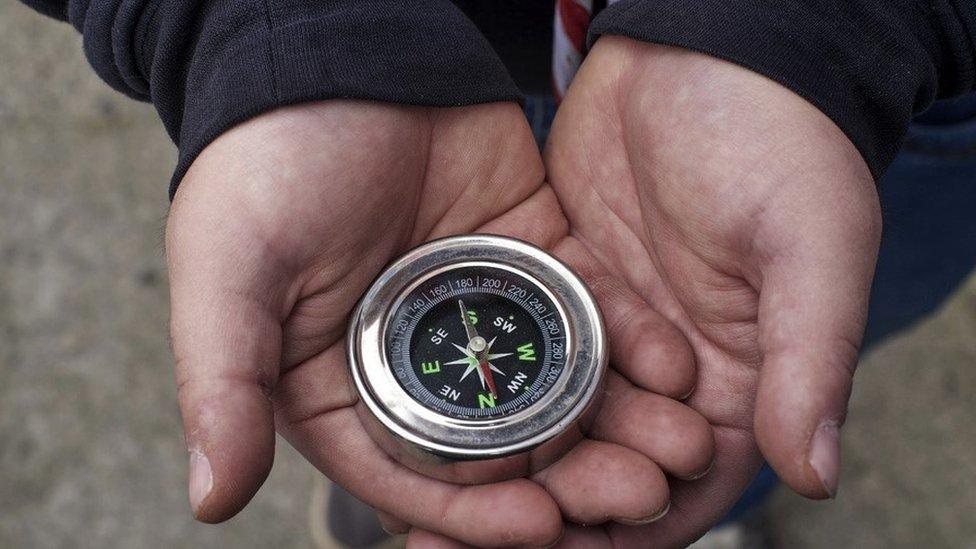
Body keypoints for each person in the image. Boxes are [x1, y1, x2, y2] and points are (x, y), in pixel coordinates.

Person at [16, 1, 976, 547]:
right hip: (398, 44)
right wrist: (258, 27)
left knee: (761, 361)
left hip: (862, 73)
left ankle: (722, 498)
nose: (481, 356)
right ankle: (405, 482)